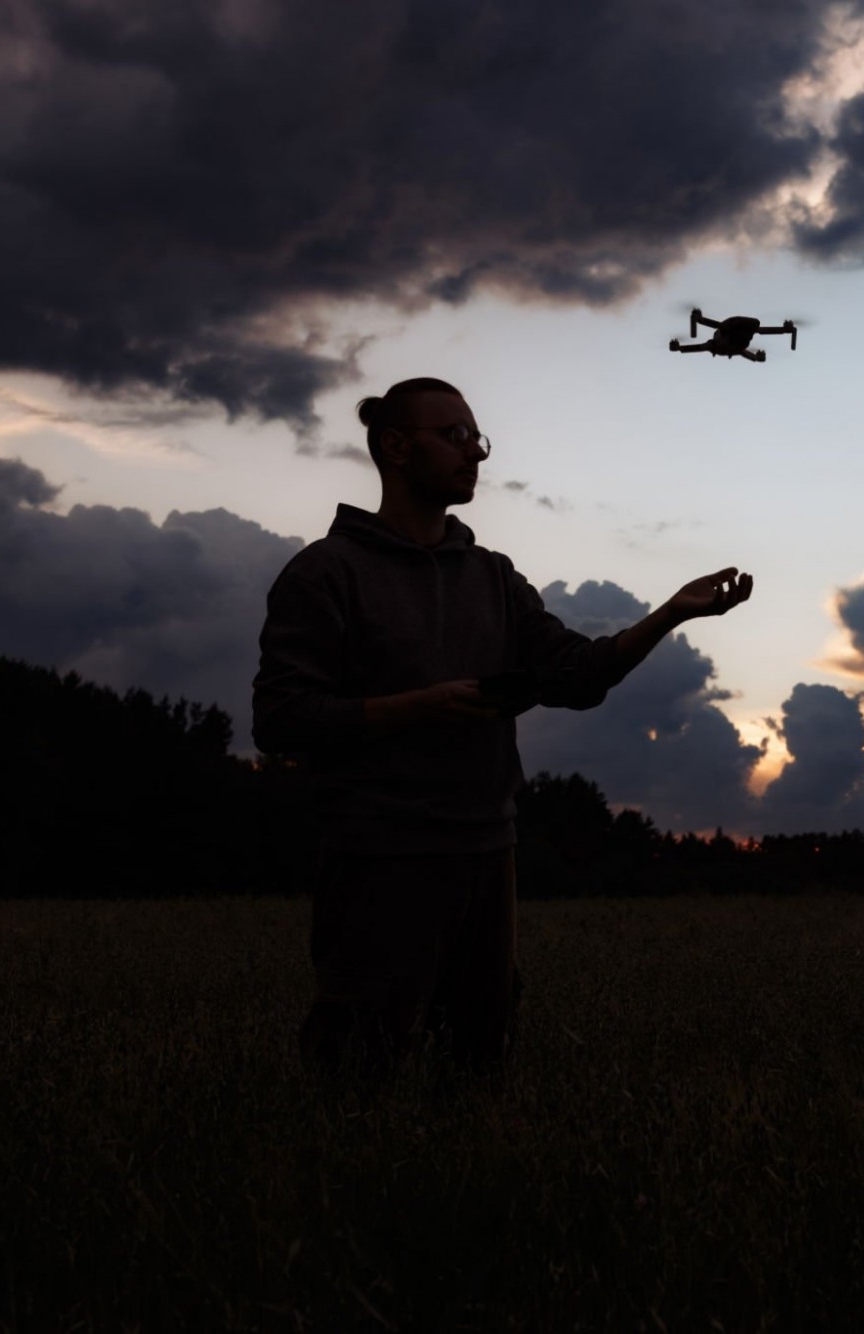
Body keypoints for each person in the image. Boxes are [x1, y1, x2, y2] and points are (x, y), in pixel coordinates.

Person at [251, 376, 751, 1090]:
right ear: (394, 447)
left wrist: (670, 614)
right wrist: (419, 705)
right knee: (356, 1064)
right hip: (377, 855)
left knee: (479, 1059)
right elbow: (281, 720)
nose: (474, 454)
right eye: (452, 436)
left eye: (477, 439)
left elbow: (576, 677)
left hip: (487, 849)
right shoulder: (327, 574)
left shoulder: (492, 577)